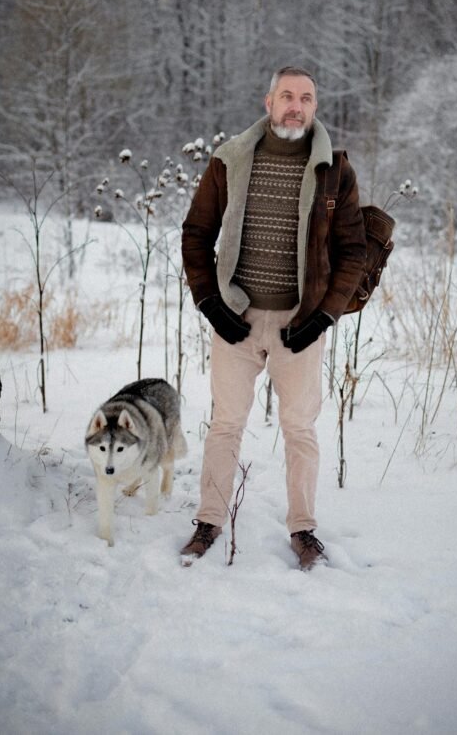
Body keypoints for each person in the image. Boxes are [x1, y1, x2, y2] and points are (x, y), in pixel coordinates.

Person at [180, 66, 367, 569]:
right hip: (236, 318)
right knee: (224, 424)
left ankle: (303, 531)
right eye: (287, 95)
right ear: (268, 102)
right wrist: (210, 304)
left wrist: (322, 318)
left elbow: (354, 253)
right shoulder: (231, 160)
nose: (296, 106)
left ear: (314, 106)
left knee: (300, 428)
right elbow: (196, 232)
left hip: (299, 324)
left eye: (306, 98)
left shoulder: (335, 170)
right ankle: (208, 521)